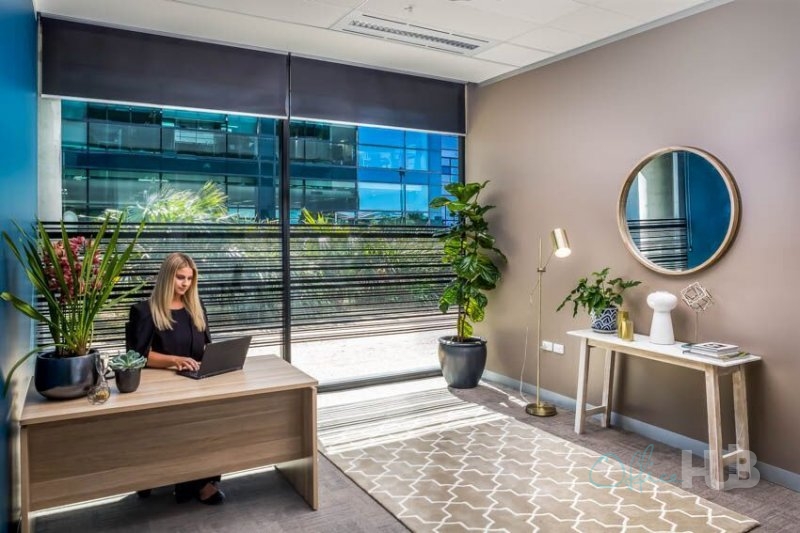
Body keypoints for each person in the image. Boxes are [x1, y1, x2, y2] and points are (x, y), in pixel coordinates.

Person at [127, 252, 225, 505]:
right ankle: (199, 484)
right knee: (186, 423)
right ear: (167, 277)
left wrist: (217, 358)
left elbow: (205, 346)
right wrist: (174, 361)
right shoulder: (145, 311)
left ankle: (202, 478)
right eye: (180, 277)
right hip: (161, 387)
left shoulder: (196, 307)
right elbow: (137, 356)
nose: (185, 284)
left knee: (213, 418)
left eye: (190, 279)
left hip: (193, 381)